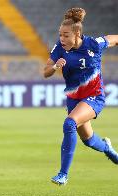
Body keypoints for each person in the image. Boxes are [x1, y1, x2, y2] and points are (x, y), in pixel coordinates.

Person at [43, 7, 118, 185]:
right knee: (89, 140)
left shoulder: (93, 44)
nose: (62, 39)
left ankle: (63, 174)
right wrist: (55, 67)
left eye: (66, 35)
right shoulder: (59, 48)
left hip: (94, 97)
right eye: (60, 35)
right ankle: (107, 148)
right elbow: (46, 71)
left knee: (69, 123)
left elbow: (114, 39)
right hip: (74, 99)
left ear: (77, 33)